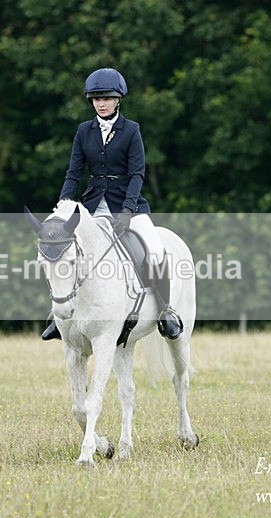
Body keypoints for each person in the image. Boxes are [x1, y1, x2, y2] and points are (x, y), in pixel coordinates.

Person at [41, 67, 183, 341]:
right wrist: (64, 207)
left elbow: (137, 173)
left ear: (118, 99)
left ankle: (165, 311)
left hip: (128, 204)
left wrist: (128, 210)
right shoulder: (84, 131)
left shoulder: (131, 130)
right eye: (96, 99)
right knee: (64, 252)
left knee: (154, 249)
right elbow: (74, 172)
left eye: (106, 98)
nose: (101, 103)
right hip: (93, 206)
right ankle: (57, 318)